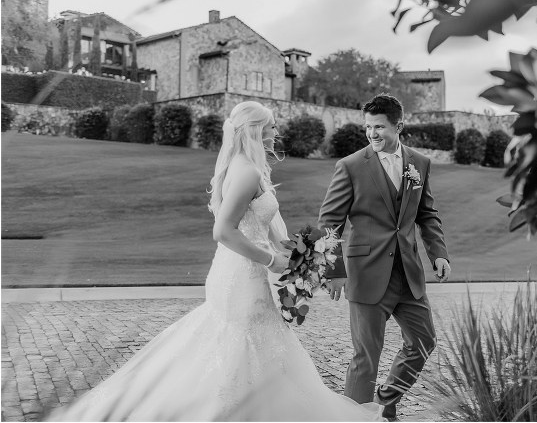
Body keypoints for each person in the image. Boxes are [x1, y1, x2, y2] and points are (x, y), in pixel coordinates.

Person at [48, 101, 380, 421]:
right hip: (244, 274)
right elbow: (223, 231)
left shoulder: (248, 166)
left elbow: (264, 227)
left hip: (238, 270)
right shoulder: (247, 171)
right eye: (272, 126)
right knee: (245, 342)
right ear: (255, 131)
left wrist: (304, 255)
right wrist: (272, 262)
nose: (277, 132)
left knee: (243, 342)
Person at [319, 93, 451, 421]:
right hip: (365, 272)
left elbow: (427, 214)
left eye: (379, 127)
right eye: (368, 127)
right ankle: (356, 418)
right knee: (366, 357)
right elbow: (329, 223)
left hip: (407, 272)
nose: (372, 134)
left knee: (423, 341)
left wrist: (438, 253)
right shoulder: (349, 166)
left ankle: (386, 399)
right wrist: (334, 269)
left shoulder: (419, 163)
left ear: (399, 126)